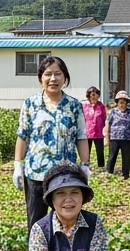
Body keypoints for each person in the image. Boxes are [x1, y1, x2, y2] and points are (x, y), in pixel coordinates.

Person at [14, 56, 88, 231]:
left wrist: (85, 165)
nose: (53, 79)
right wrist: (18, 164)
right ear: (41, 78)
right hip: (36, 175)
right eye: (48, 74)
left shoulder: (74, 105)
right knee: (36, 222)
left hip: (65, 177)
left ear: (65, 78)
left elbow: (81, 137)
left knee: (66, 221)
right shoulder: (30, 104)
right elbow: (22, 136)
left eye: (58, 74)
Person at [104, 91, 130, 178]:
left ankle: (125, 175)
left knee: (126, 158)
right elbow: (107, 125)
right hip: (114, 138)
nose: (122, 104)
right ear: (117, 102)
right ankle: (109, 173)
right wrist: (107, 137)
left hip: (128, 139)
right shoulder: (112, 112)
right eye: (120, 102)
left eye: (124, 102)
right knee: (112, 156)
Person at [83, 86, 107, 170]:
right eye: (91, 94)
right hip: (87, 132)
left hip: (99, 132)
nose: (93, 96)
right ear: (88, 95)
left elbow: (104, 118)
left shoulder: (101, 106)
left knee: (100, 151)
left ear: (98, 95)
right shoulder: (84, 105)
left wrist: (106, 132)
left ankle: (101, 166)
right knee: (86, 151)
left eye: (95, 94)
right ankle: (85, 167)